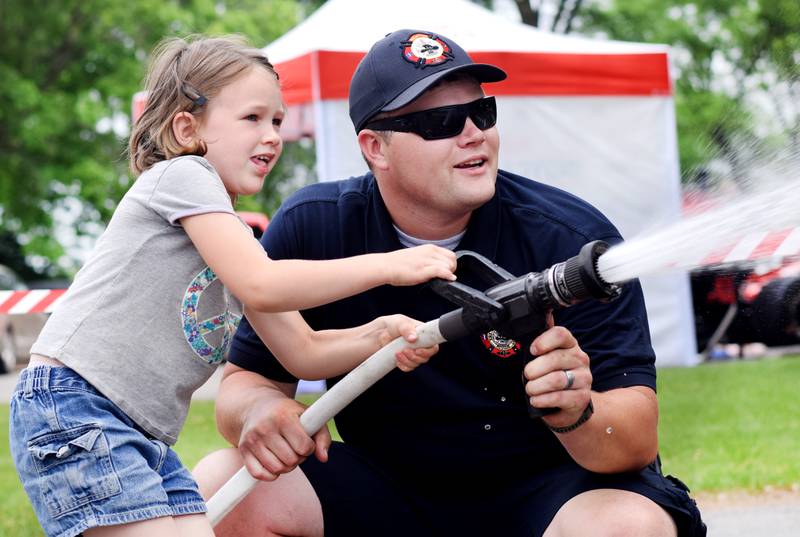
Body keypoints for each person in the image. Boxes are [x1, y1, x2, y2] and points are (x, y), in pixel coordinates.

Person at [195, 29, 706, 537]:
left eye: (482, 113)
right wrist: (263, 411)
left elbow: (636, 438)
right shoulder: (316, 227)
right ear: (376, 148)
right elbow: (246, 385)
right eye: (440, 121)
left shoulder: (572, 241)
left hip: (551, 493)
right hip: (389, 492)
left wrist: (578, 411)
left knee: (629, 526)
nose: (473, 133)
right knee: (223, 484)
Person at [9, 34, 455, 537]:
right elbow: (263, 284)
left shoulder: (235, 240)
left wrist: (379, 334)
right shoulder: (181, 176)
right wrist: (390, 265)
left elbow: (303, 352)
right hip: (78, 405)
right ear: (186, 128)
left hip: (142, 432)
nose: (272, 136)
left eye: (278, 121)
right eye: (252, 118)